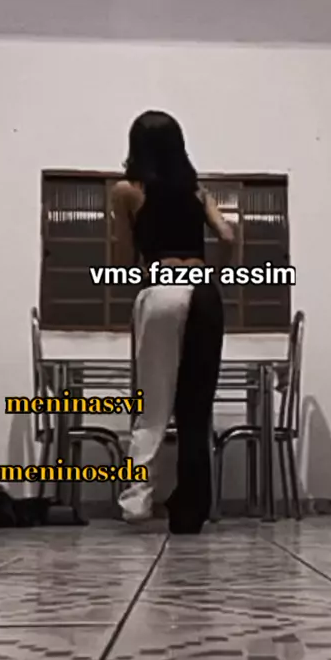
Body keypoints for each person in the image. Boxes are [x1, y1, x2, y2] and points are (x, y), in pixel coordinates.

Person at [113, 110, 235, 534]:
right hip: (204, 293)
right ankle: (191, 511)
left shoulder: (127, 191)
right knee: (196, 408)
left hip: (162, 288)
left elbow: (123, 258)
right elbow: (228, 236)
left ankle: (138, 500)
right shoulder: (197, 192)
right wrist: (215, 272)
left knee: (153, 404)